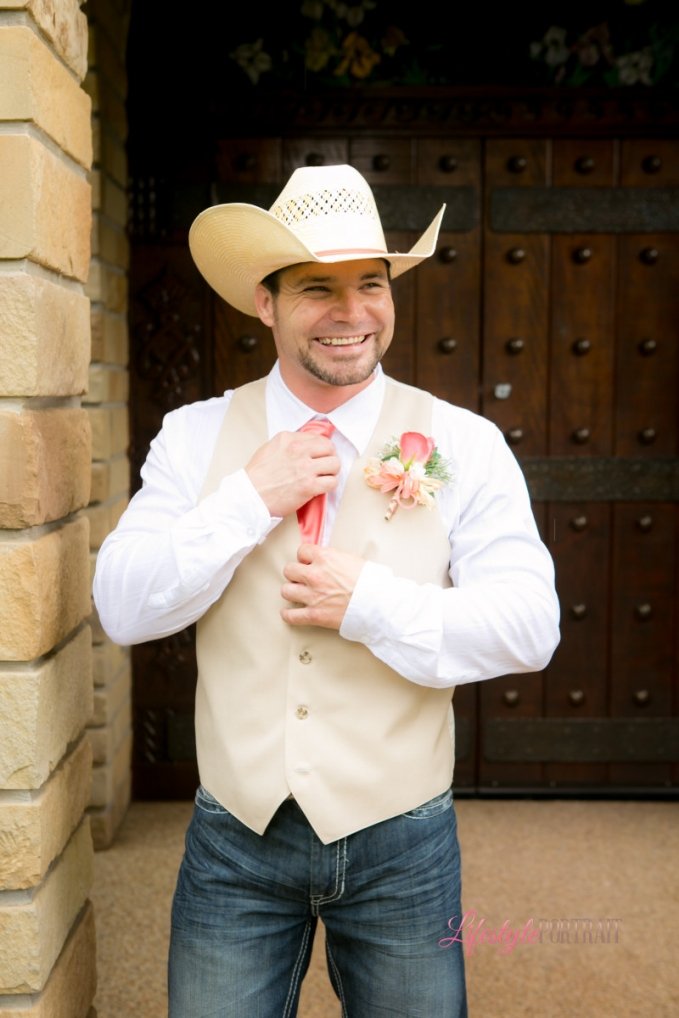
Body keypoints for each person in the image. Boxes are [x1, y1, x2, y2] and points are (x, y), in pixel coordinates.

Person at [93, 163, 560, 1018]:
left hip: (403, 843)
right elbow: (122, 606)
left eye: (370, 284)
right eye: (317, 288)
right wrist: (247, 499)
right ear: (264, 301)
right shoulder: (195, 438)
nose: (351, 313)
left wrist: (372, 604)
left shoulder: (466, 440)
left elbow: (529, 627)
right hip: (234, 838)